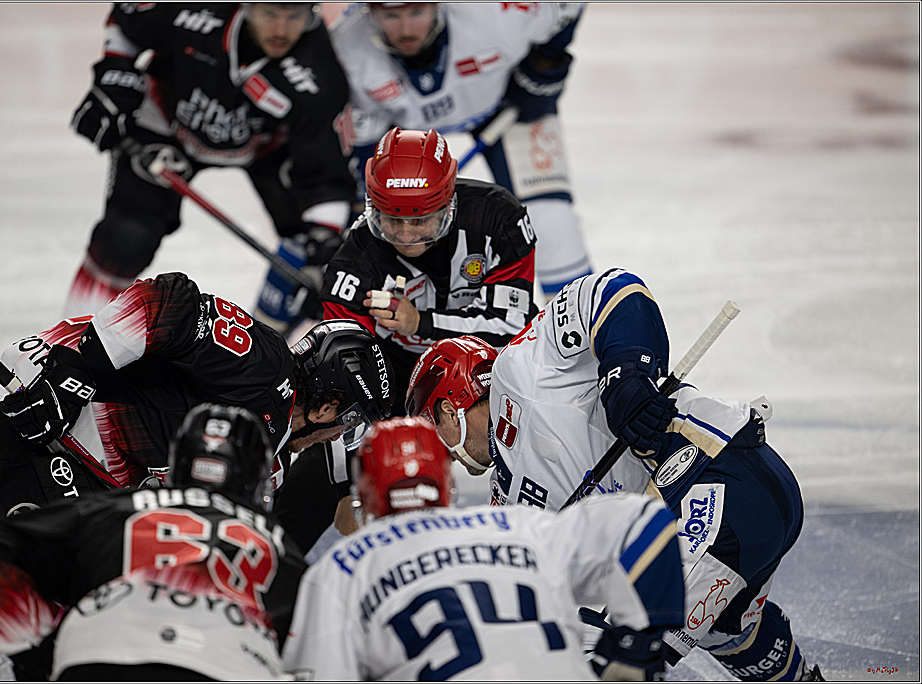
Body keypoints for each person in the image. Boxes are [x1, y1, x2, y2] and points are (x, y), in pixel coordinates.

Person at [405, 269, 825, 682]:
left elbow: (616, 290)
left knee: (602, 652)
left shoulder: (521, 368)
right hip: (746, 507)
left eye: (432, 429)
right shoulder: (507, 493)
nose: (444, 455)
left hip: (719, 477)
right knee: (730, 635)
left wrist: (626, 376)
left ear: (449, 408)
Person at [0, 271, 392, 532]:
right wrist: (74, 373)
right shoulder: (266, 366)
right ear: (326, 408)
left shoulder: (274, 464)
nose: (336, 437)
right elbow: (169, 298)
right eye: (347, 423)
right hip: (27, 409)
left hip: (71, 459)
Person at [280, 416, 686, 680]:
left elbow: (318, 673)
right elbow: (644, 523)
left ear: (367, 494)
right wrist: (634, 651)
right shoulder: (520, 525)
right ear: (447, 482)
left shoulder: (344, 566)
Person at [0, 403, 309, 681]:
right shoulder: (281, 549)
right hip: (230, 667)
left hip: (98, 656)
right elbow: (322, 659)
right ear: (257, 483)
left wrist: (40, 653)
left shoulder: (117, 506)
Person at [301, 125, 537, 542]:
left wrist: (420, 324)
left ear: (449, 202)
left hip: (495, 365)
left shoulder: (499, 218)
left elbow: (513, 327)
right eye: (392, 221)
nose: (407, 235)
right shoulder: (352, 265)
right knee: (315, 477)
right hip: (394, 378)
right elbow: (339, 381)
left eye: (422, 220)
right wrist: (347, 485)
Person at [66, 2, 358, 332]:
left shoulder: (320, 71)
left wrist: (322, 248)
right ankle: (74, 340)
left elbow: (325, 175)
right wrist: (115, 79)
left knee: (316, 251)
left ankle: (273, 343)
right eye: (270, 14)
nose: (281, 30)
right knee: (126, 237)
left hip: (265, 148)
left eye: (294, 16)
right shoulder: (194, 9)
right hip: (165, 124)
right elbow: (128, 16)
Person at [329, 2, 592, 297]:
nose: (405, 29)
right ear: (370, 12)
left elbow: (569, 6)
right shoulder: (345, 48)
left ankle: (582, 315)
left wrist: (545, 62)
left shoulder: (496, 12)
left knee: (551, 220)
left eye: (416, 12)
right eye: (391, 15)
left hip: (504, 105)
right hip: (397, 127)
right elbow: (360, 143)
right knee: (359, 224)